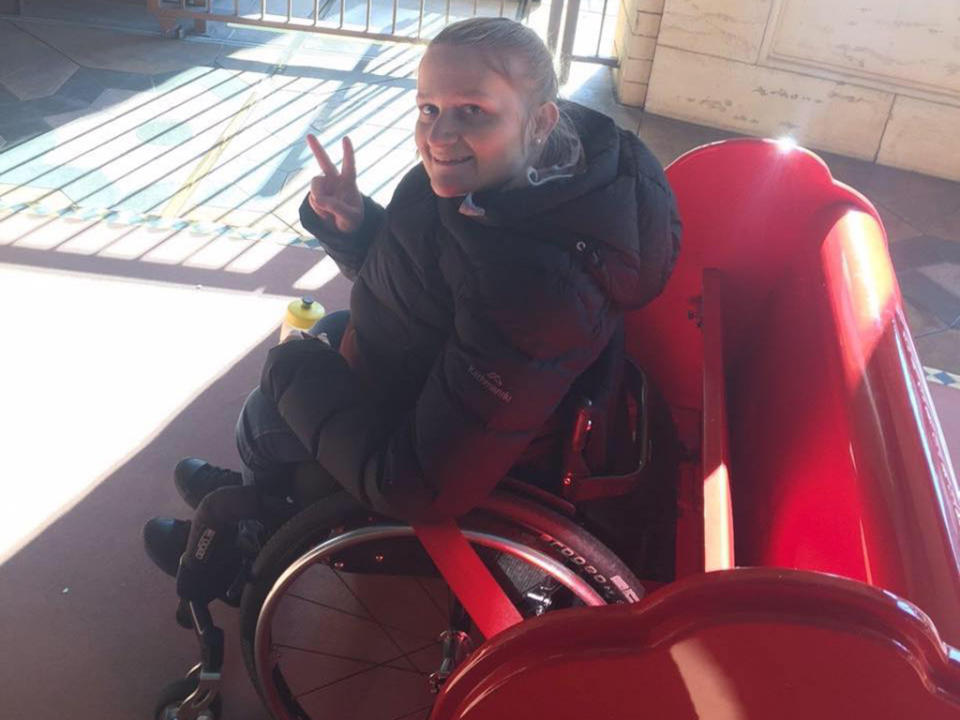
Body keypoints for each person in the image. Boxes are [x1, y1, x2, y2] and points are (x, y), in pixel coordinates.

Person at [143, 16, 682, 603]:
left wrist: (291, 371)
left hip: (445, 458)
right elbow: (429, 269)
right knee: (329, 334)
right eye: (428, 108)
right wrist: (354, 226)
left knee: (267, 414)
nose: (439, 135)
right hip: (436, 379)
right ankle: (265, 504)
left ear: (540, 120)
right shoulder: (517, 183)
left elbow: (419, 487)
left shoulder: (534, 289)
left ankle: (252, 545)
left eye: (472, 110)